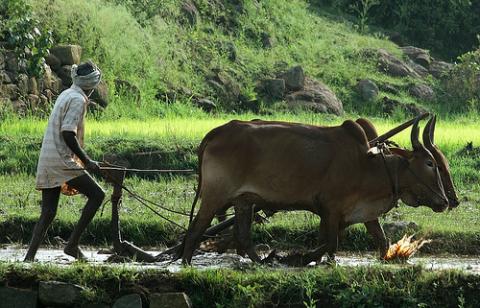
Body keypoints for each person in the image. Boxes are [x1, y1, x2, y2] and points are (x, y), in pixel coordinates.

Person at [24, 60, 105, 261]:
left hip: (48, 157)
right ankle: (72, 244)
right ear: (91, 85)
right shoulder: (77, 99)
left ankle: (29, 259)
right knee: (97, 195)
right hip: (61, 159)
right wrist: (87, 162)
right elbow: (68, 133)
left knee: (48, 212)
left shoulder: (66, 93)